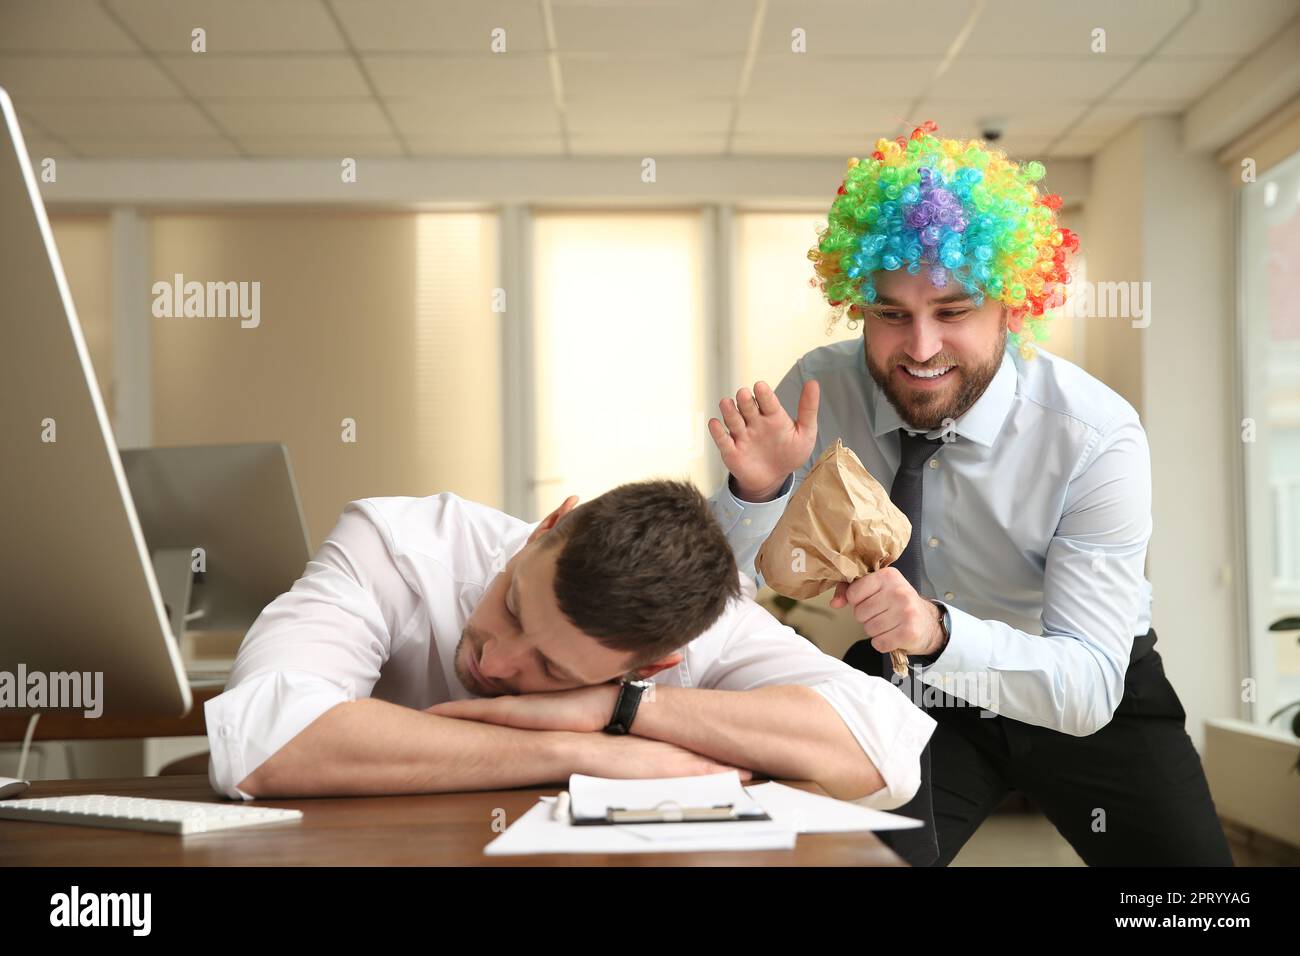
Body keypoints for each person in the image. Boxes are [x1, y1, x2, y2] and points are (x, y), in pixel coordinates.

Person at [706, 121, 1234, 866]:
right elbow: (716, 591)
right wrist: (754, 492)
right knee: (842, 860)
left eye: (953, 312)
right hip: (908, 686)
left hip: (1080, 680)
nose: (920, 348)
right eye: (892, 314)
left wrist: (939, 632)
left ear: (1013, 307)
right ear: (859, 302)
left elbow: (1084, 688)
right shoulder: (820, 393)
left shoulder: (1095, 435)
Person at [205, 478, 935, 808]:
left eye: (552, 668)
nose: (493, 661)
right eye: (512, 606)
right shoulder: (396, 544)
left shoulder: (705, 622)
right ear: (545, 527)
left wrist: (619, 712)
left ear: (653, 665)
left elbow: (885, 751)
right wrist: (574, 749)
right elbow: (265, 736)